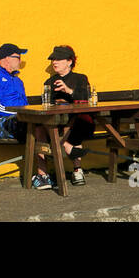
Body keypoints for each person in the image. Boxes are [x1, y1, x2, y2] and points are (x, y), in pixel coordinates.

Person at [0, 42, 52, 189]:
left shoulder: (18, 81)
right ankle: (60, 153)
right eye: (18, 57)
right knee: (38, 126)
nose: (20, 61)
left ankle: (42, 176)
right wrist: (25, 115)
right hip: (3, 124)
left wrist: (29, 115)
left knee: (46, 125)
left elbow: (26, 105)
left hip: (24, 121)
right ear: (6, 58)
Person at [41, 45, 93, 185]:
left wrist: (69, 91)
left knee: (73, 123)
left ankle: (75, 166)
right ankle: (76, 166)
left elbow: (86, 98)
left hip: (82, 123)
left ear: (70, 61)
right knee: (62, 124)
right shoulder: (49, 83)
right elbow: (47, 104)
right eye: (53, 59)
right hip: (57, 124)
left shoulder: (80, 79)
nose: (54, 62)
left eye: (58, 59)